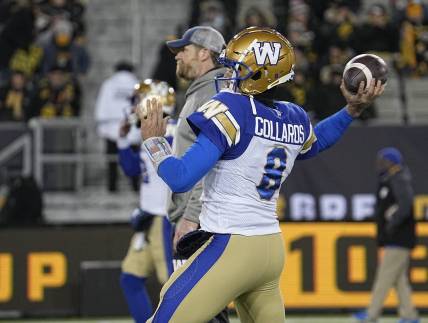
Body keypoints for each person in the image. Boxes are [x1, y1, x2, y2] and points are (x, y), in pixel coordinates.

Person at [139, 26, 385, 323]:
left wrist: (154, 143)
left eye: (237, 67)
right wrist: (351, 110)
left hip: (232, 245)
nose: (229, 74)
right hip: (270, 248)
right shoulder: (292, 115)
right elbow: (315, 142)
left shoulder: (231, 107)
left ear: (258, 73)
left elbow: (180, 177)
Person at [164, 24, 230, 323]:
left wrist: (191, 215)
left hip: (201, 218)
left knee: (194, 309)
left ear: (205, 53)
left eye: (184, 50)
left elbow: (213, 160)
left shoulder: (212, 95)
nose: (178, 56)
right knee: (204, 309)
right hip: (201, 214)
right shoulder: (205, 91)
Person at [118, 80, 175, 323]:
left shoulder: (174, 130)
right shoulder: (147, 131)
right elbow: (132, 168)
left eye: (140, 99)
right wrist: (122, 141)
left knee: (174, 287)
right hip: (148, 218)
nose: (134, 105)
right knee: (130, 279)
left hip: (166, 219)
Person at [353, 148, 419, 323]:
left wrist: (391, 223)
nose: (380, 164)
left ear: (392, 162)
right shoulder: (392, 179)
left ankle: (372, 314)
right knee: (399, 280)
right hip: (397, 238)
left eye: (383, 160)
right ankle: (410, 315)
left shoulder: (399, 179)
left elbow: (405, 205)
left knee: (384, 277)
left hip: (399, 238)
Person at [94, 60, 140, 192]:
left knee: (112, 161)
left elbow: (101, 107)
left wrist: (102, 127)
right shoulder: (137, 84)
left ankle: (112, 188)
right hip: (132, 128)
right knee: (133, 159)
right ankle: (135, 187)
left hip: (111, 128)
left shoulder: (108, 84)